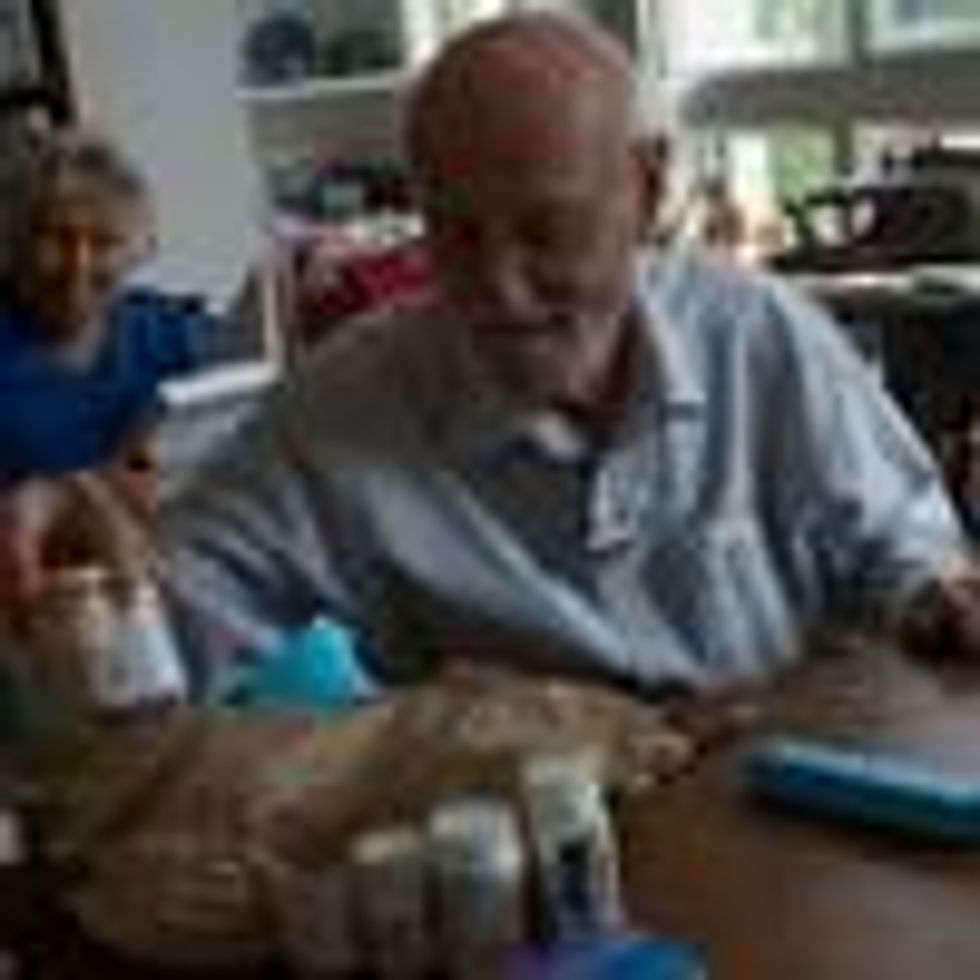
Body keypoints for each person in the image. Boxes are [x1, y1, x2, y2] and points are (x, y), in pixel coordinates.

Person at [9, 15, 980, 699]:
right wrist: (70, 577)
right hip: (534, 875)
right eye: (456, 234)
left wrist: (931, 598)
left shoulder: (757, 332)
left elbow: (899, 540)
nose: (500, 288)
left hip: (793, 824)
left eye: (546, 232)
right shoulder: (346, 403)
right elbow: (156, 636)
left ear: (646, 193)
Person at [0, 129, 218, 622]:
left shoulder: (169, 331)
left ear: (138, 250)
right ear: (15, 242)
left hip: (176, 585)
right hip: (42, 606)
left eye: (103, 243)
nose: (78, 265)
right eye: (57, 238)